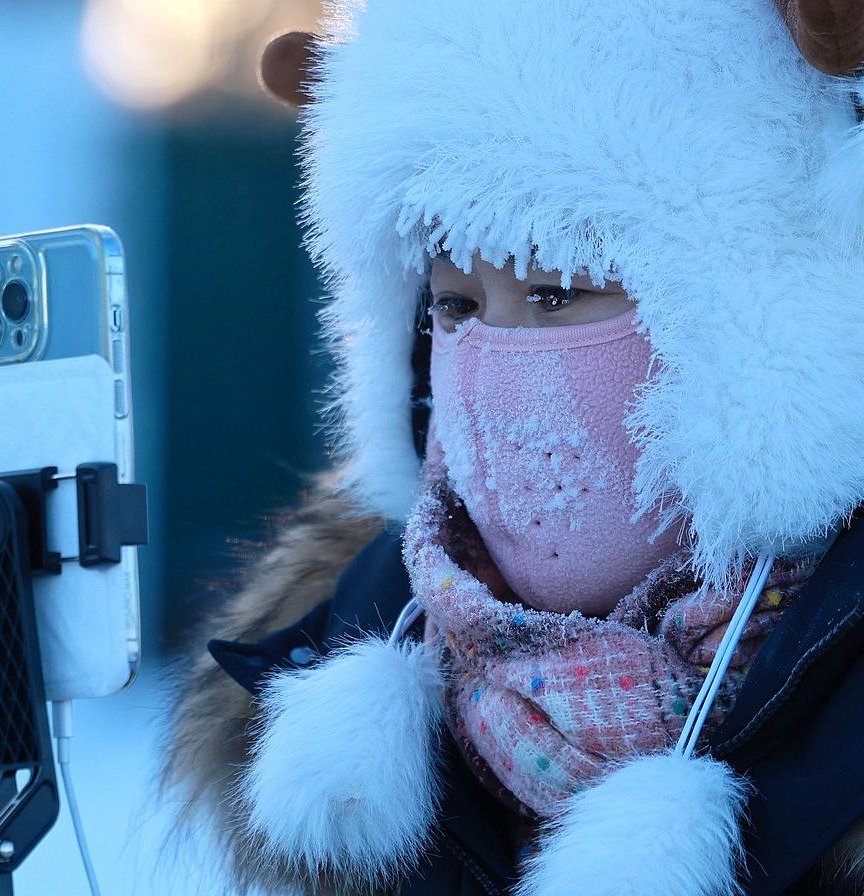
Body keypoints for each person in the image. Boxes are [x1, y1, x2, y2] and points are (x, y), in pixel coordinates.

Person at [163, 2, 864, 894]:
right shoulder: (319, 682)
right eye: (455, 306)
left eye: (557, 293)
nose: (498, 367)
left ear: (764, 324)